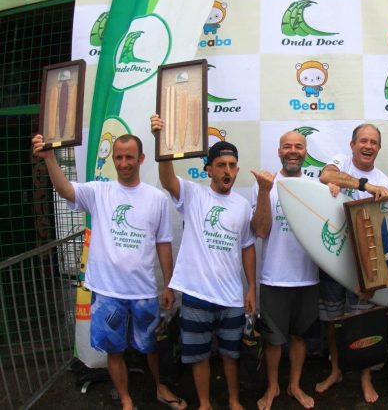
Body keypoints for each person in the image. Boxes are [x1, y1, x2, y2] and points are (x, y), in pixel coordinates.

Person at [31, 134, 186, 410]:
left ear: (141, 159)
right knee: (114, 351)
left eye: (129, 157)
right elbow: (66, 190)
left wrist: (169, 285)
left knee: (151, 347)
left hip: (143, 292)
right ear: (113, 158)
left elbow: (164, 243)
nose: (124, 163)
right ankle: (126, 400)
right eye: (118, 157)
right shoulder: (98, 192)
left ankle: (161, 389)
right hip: (106, 293)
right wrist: (49, 158)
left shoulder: (156, 199)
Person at [151, 115, 256, 410]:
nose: (228, 171)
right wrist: (161, 139)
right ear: (208, 168)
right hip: (196, 294)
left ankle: (234, 401)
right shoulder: (193, 194)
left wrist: (251, 290)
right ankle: (205, 404)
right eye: (221, 165)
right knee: (198, 356)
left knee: (231, 354)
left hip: (232, 296)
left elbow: (248, 248)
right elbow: (167, 179)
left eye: (232, 165)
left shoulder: (242, 205)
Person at [316, 123, 388, 404]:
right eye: (363, 140)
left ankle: (365, 378)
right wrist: (364, 186)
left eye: (374, 142)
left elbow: (387, 233)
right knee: (332, 321)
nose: (368, 146)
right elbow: (325, 175)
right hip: (331, 256)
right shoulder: (341, 163)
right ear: (352, 145)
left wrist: (376, 276)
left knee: (362, 322)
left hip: (364, 265)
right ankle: (336, 370)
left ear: (379, 148)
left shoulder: (386, 184)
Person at [251, 131, 319, 410]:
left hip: (308, 277)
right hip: (273, 277)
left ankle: (294, 385)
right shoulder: (266, 184)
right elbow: (261, 230)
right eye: (287, 146)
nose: (293, 151)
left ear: (305, 152)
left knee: (300, 336)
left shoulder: (316, 188)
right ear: (279, 151)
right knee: (272, 341)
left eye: (299, 146)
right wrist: (265, 191)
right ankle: (273, 387)